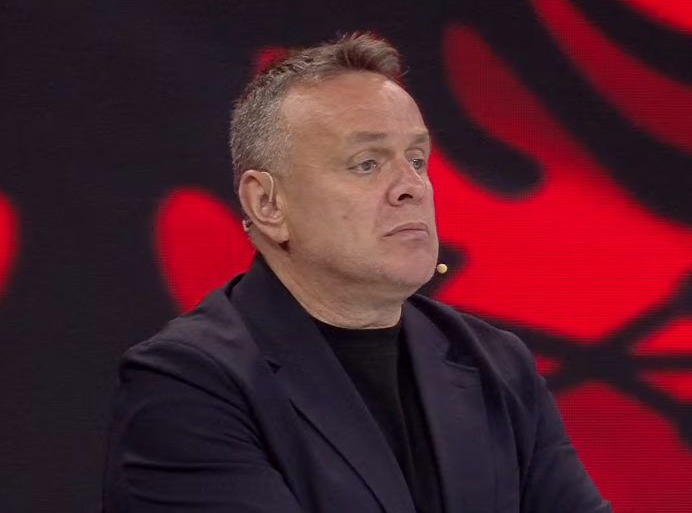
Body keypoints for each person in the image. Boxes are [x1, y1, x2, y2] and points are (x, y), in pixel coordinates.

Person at [102, 32, 612, 513]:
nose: (412, 186)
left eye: (417, 159)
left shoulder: (496, 364)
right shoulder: (186, 384)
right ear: (267, 203)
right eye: (367, 163)